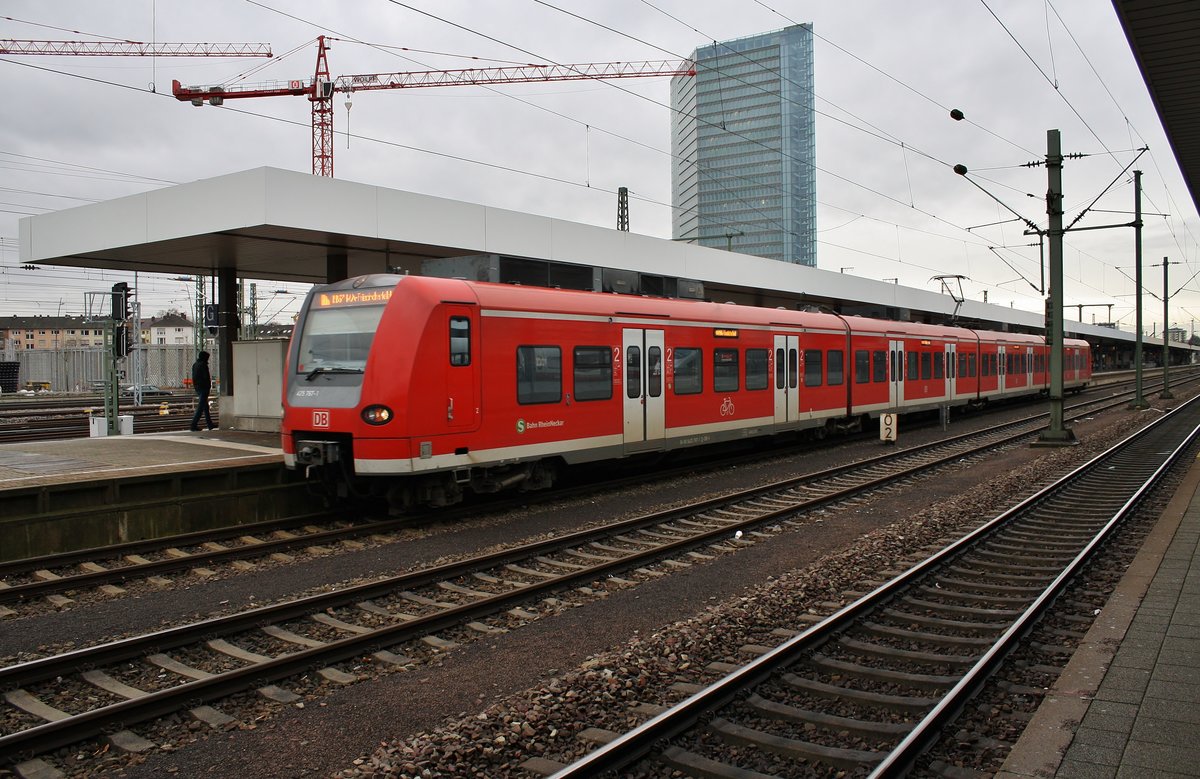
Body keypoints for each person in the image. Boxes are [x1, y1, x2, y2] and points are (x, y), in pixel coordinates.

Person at [190, 351, 216, 431]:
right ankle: (193, 425)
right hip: (204, 388)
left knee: (205, 407)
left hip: (197, 387)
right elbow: (206, 377)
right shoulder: (203, 365)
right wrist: (208, 386)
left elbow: (194, 377)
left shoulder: (195, 365)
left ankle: (210, 424)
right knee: (201, 407)